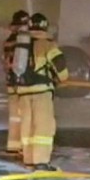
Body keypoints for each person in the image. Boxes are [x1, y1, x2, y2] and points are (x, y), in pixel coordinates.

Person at [11, 12, 69, 171]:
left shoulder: (21, 44)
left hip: (22, 92)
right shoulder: (47, 44)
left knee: (27, 127)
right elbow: (60, 64)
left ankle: (29, 160)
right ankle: (41, 161)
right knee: (43, 127)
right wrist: (63, 79)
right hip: (41, 92)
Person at [3, 9, 31, 157]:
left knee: (14, 117)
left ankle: (13, 146)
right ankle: (25, 148)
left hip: (11, 83)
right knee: (27, 116)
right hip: (24, 84)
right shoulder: (25, 40)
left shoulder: (8, 40)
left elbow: (6, 62)